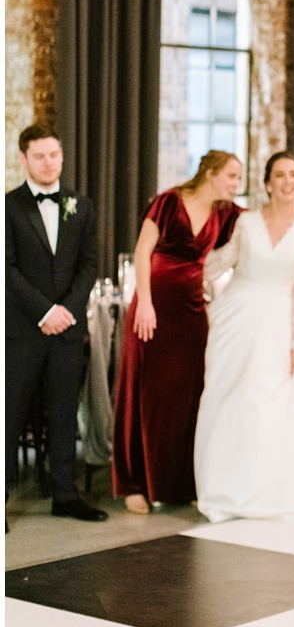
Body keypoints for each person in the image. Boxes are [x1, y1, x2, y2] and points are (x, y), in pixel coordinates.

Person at [193, 152, 294, 523]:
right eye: (279, 175)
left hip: (278, 321)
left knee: (273, 397)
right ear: (267, 183)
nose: (286, 181)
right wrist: (186, 273)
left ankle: (268, 487)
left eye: (293, 175)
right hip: (234, 318)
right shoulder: (246, 222)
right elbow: (222, 261)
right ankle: (222, 487)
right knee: (226, 396)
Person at [113, 151, 244, 514]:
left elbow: (263, 228)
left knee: (188, 397)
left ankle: (179, 483)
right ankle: (133, 484)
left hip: (191, 312)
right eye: (232, 176)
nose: (236, 184)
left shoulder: (226, 213)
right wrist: (145, 303)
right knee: (143, 392)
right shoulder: (168, 202)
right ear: (211, 173)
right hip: (152, 309)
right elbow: (142, 253)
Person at [5, 123, 107, 523]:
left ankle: (65, 495)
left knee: (65, 414)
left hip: (67, 329)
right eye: (40, 155)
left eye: (54, 154)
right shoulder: (8, 206)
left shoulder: (81, 206)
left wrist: (65, 310)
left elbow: (89, 266)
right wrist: (44, 312)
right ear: (23, 158)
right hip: (22, 331)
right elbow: (6, 269)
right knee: (9, 414)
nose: (49, 163)